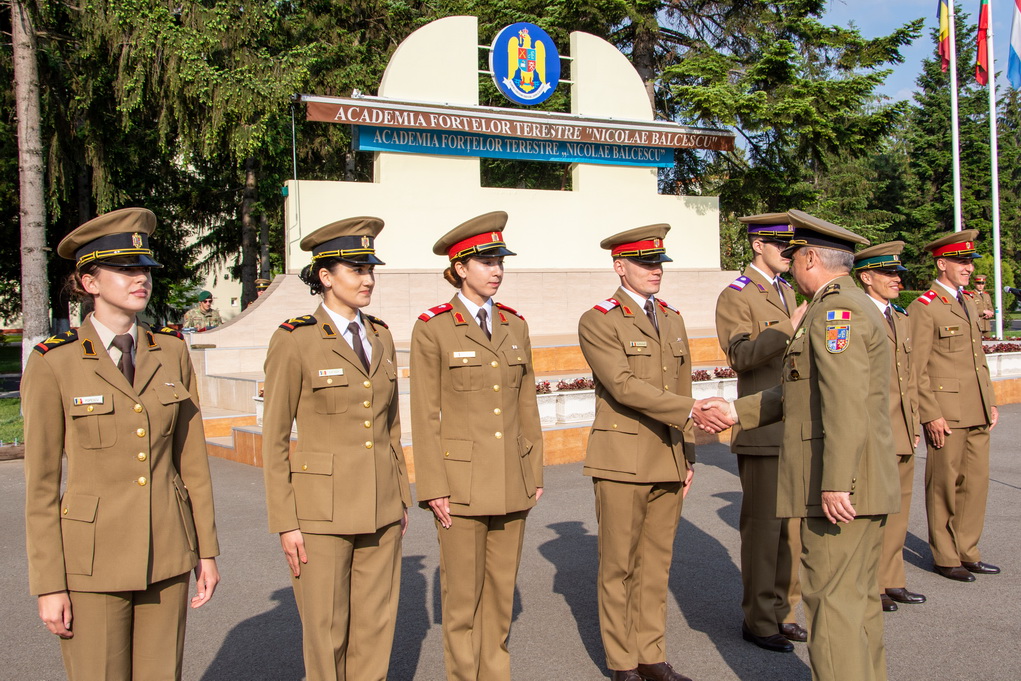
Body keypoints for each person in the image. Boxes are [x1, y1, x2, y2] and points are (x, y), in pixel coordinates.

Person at [23, 207, 220, 681]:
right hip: (92, 559)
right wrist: (49, 585)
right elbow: (42, 487)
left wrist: (206, 550)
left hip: (168, 549)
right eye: (125, 269)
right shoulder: (55, 363)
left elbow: (191, 460)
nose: (141, 279)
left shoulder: (171, 350)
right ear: (89, 283)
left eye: (146, 269)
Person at [726, 210, 900, 681]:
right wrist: (735, 413)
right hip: (867, 481)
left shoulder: (833, 310)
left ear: (808, 258)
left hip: (843, 486)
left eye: (793, 254)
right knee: (859, 602)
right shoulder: (856, 302)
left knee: (834, 607)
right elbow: (803, 390)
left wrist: (837, 483)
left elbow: (843, 401)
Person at [578, 224, 730, 681]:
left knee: (656, 565)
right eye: (644, 263)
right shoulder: (599, 319)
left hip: (668, 457)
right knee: (619, 566)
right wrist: (691, 410)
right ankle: (622, 661)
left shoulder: (672, 317)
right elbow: (624, 386)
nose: (654, 271)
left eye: (658, 263)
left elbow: (680, 385)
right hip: (622, 460)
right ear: (619, 266)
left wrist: (688, 457)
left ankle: (652, 655)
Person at [261, 216, 411, 681]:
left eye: (371, 268)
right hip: (320, 511)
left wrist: (401, 495)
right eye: (355, 269)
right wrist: (286, 521)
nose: (367, 279)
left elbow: (389, 425)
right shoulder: (296, 339)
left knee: (374, 626)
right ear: (325, 276)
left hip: (381, 505)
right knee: (326, 631)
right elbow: (274, 438)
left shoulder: (381, 334)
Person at [410, 211, 543, 681]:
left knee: (501, 595)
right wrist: (433, 485)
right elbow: (425, 415)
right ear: (460, 268)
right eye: (486, 260)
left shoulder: (514, 324)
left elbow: (527, 405)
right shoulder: (434, 327)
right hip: (460, 484)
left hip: (512, 478)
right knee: (463, 600)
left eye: (500, 259)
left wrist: (535, 473)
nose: (497, 269)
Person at [714, 213, 807, 653]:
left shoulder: (788, 291)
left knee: (791, 530)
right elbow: (742, 355)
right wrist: (789, 328)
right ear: (757, 246)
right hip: (760, 426)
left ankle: (784, 610)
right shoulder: (737, 296)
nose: (789, 255)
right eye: (781, 247)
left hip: (794, 425)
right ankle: (758, 618)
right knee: (764, 529)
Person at [907, 230, 1000, 581]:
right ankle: (946, 556)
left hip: (976, 408)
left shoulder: (968, 301)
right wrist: (930, 414)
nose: (968, 267)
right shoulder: (925, 306)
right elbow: (916, 368)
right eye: (961, 261)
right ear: (941, 263)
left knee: (975, 484)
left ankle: (968, 550)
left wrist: (990, 402)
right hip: (946, 412)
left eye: (969, 261)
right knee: (944, 484)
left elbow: (978, 360)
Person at [852, 242, 926, 612]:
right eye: (888, 273)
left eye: (898, 273)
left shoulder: (899, 316)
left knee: (898, 510)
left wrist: (913, 421)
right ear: (866, 277)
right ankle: (869, 584)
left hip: (901, 427)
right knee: (872, 512)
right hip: (874, 430)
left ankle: (891, 579)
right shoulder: (859, 316)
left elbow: (909, 376)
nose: (897, 280)